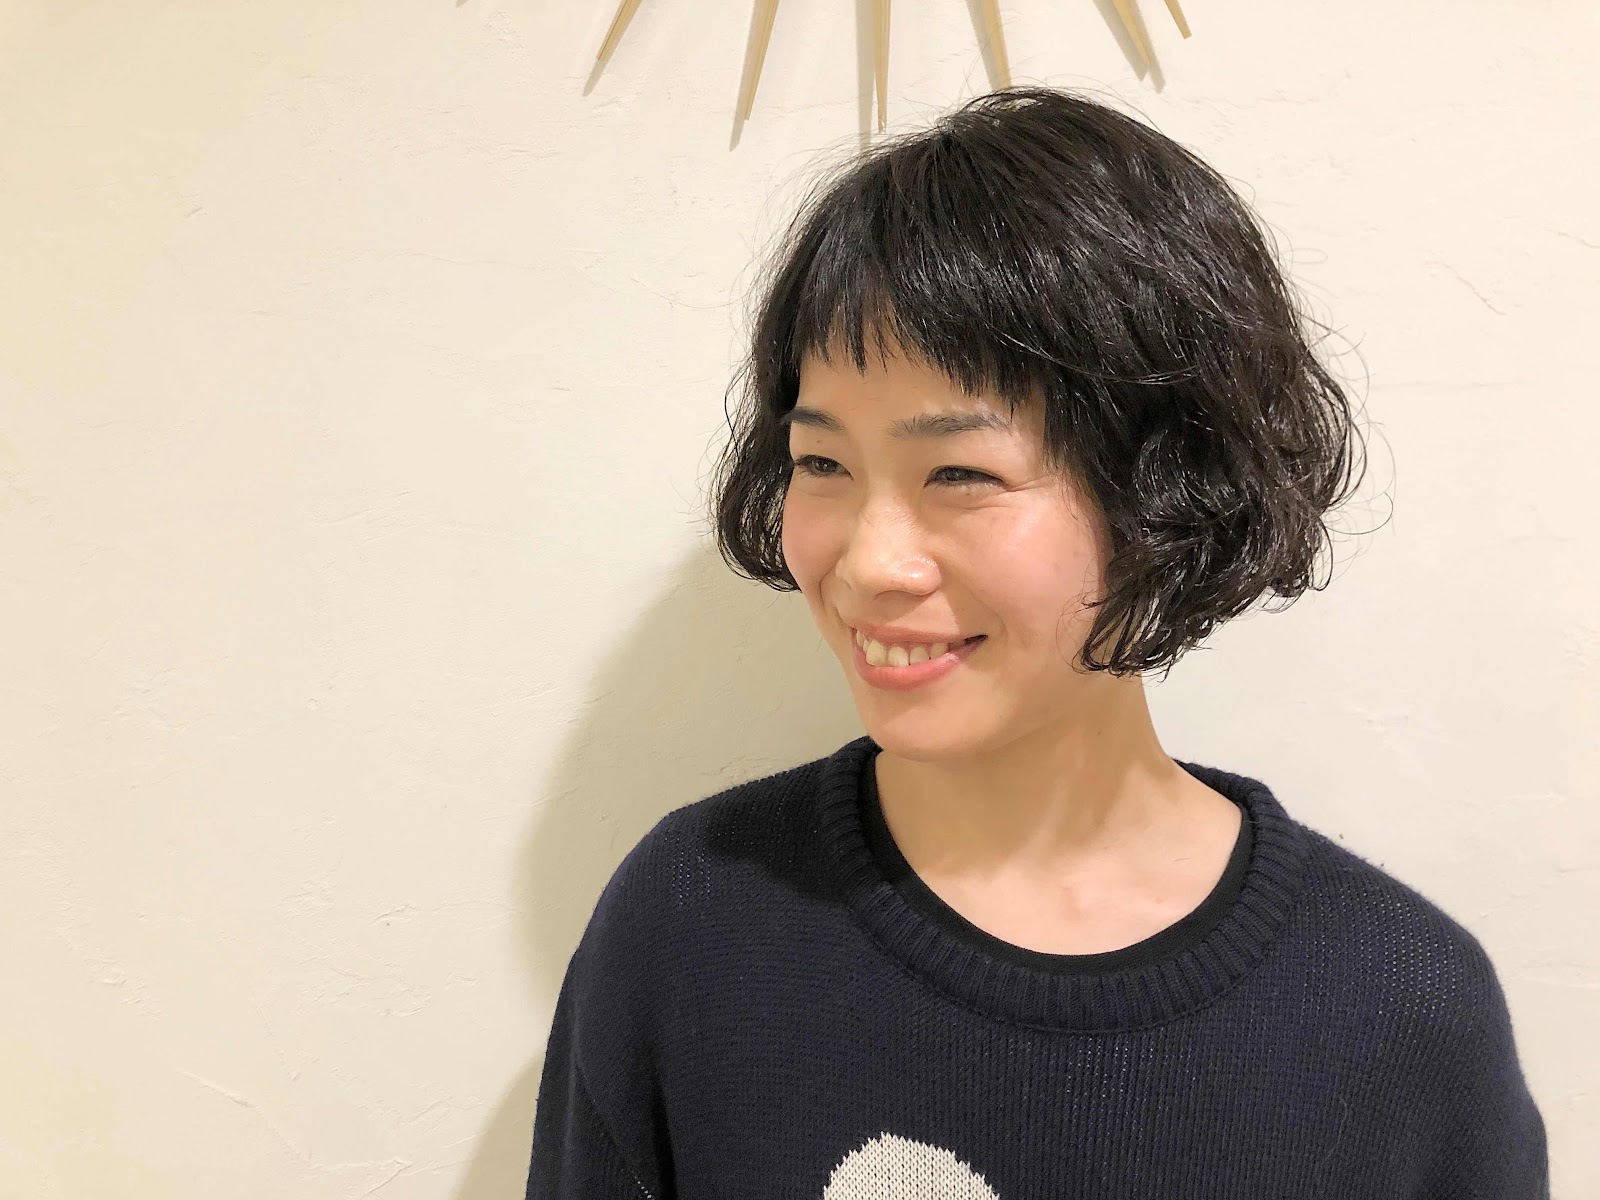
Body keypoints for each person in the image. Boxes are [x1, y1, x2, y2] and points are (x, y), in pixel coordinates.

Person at [525, 85, 1549, 1197]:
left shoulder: (1400, 1007)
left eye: (959, 473)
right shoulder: (693, 921)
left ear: (1166, 487)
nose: (870, 562)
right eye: (822, 463)